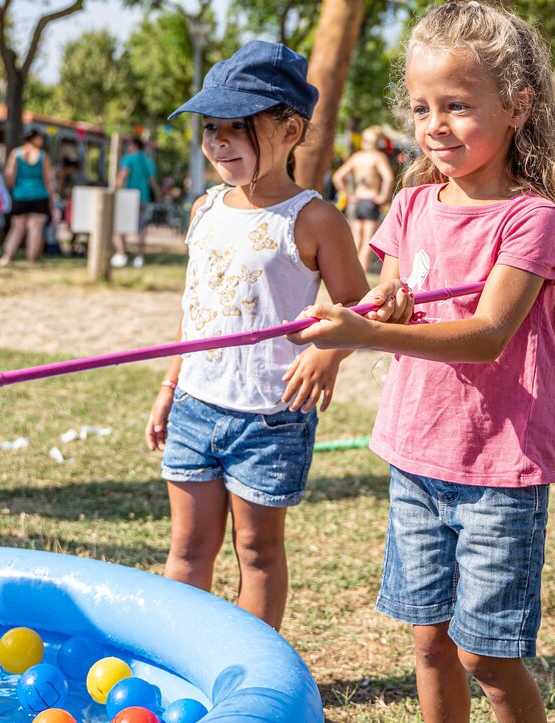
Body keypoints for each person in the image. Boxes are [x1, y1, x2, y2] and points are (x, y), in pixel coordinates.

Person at [286, 4, 555, 720]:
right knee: (429, 640)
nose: (435, 124)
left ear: (517, 106)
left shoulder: (532, 218)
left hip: (499, 469)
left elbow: (488, 332)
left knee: (486, 654)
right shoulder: (410, 205)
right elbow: (392, 296)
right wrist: (382, 306)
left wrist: (365, 337)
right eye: (424, 106)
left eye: (459, 106)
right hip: (416, 455)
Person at [145, 41, 369, 630]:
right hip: (196, 404)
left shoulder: (314, 219)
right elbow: (196, 309)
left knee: (258, 554)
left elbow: (358, 309)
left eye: (235, 128)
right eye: (209, 127)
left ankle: (254, 676)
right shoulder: (204, 209)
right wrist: (170, 386)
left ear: (290, 128)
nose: (217, 142)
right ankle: (178, 655)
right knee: (189, 550)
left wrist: (329, 355)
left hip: (271, 416)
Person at [332, 126, 395, 272]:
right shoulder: (378, 157)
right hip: (369, 201)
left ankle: (349, 272)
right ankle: (360, 273)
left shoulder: (357, 157)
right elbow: (388, 177)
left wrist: (346, 194)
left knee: (355, 239)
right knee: (367, 240)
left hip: (356, 201)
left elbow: (338, 177)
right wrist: (382, 196)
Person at [0, 130, 54, 267]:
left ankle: (6, 257)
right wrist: (51, 196)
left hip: (20, 194)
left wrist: (15, 187)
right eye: (40, 138)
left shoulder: (16, 153)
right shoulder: (42, 155)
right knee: (35, 228)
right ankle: (31, 259)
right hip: (39, 194)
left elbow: (9, 174)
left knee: (17, 228)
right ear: (33, 138)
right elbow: (47, 179)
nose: (42, 141)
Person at [113, 137, 160, 268]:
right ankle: (139, 257)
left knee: (121, 226)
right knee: (141, 228)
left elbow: (123, 177)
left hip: (128, 196)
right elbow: (152, 182)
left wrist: (115, 191)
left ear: (133, 146)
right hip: (143, 198)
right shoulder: (149, 161)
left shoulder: (128, 159)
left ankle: (122, 254)